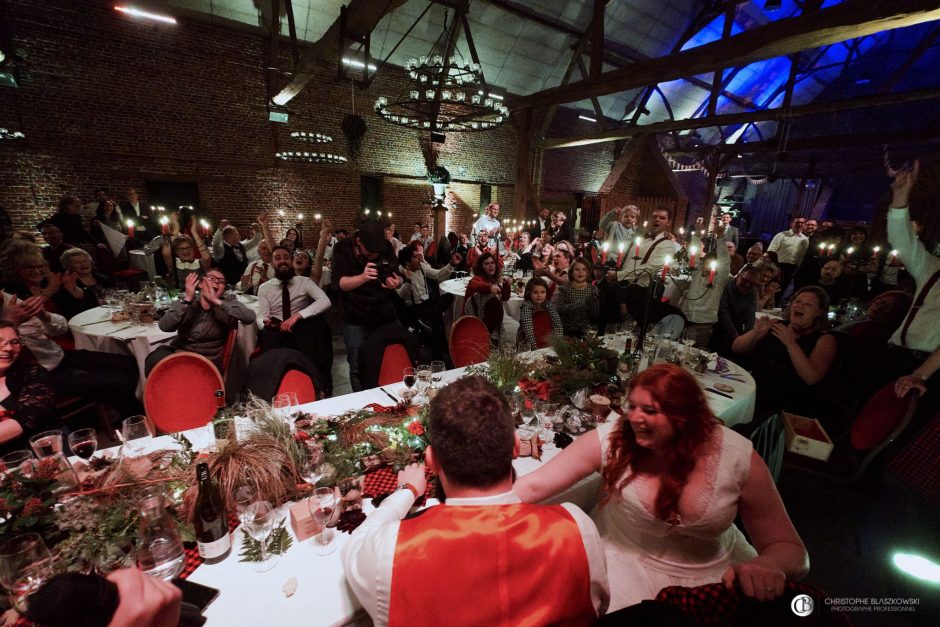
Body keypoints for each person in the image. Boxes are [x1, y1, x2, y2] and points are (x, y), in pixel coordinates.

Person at [514, 363, 808, 611]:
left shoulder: (738, 459)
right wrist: (471, 508)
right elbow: (537, 485)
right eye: (633, 407)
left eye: (650, 411)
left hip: (712, 579)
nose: (635, 419)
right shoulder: (616, 438)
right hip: (619, 568)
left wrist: (770, 564)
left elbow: (792, 550)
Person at [342, 376, 609, 625]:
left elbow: (356, 545)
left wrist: (407, 490)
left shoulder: (388, 554)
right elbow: (597, 607)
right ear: (516, 447)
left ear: (431, 462)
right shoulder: (578, 530)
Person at [0, 291, 141, 417]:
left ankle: (131, 412)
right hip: (38, 375)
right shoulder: (12, 314)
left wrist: (44, 315)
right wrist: (11, 322)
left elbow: (61, 328)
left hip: (60, 356)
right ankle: (138, 423)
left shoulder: (11, 302)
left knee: (132, 364)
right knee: (121, 382)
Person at [881, 162, 939, 408]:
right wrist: (901, 195)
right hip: (894, 354)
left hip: (926, 371)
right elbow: (903, 242)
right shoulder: (933, 267)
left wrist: (921, 373)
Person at [733, 286, 837, 422]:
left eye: (808, 304)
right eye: (798, 301)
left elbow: (811, 377)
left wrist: (791, 344)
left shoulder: (825, 340)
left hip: (785, 405)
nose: (800, 306)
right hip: (751, 389)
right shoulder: (776, 324)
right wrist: (755, 332)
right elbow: (737, 348)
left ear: (819, 312)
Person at [331, 221, 403, 391]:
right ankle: (364, 404)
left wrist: (396, 283)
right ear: (358, 241)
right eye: (369, 252)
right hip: (356, 316)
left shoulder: (385, 246)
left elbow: (399, 276)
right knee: (357, 366)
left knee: (393, 357)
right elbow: (338, 284)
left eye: (376, 253)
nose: (373, 256)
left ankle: (393, 400)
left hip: (384, 313)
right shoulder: (343, 248)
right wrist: (363, 277)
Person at [145, 269, 256, 375]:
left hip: (206, 360)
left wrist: (216, 301)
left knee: (181, 372)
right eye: (212, 278)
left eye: (221, 281)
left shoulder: (227, 304)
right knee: (154, 360)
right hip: (179, 353)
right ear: (200, 284)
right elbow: (164, 326)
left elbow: (250, 317)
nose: (217, 282)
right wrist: (187, 300)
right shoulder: (187, 303)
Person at [257, 246, 333, 395]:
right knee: (268, 338)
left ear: (291, 261)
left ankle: (317, 386)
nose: (282, 261)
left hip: (301, 328)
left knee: (314, 329)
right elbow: (261, 315)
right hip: (276, 328)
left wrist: (298, 315)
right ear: (272, 263)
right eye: (277, 258)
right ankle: (272, 391)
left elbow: (325, 301)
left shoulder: (303, 282)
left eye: (286, 257)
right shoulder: (265, 288)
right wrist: (265, 322)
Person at [396, 243, 461, 363]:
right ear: (407, 262)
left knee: (448, 297)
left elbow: (437, 274)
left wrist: (451, 265)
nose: (419, 259)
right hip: (414, 310)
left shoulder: (421, 266)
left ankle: (429, 320)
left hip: (427, 305)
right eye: (415, 257)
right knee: (436, 325)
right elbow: (400, 296)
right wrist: (408, 282)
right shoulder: (400, 274)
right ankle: (440, 357)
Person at [0, 322, 57, 454]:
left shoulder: (33, 373)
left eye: (14, 342)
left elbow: (26, 419)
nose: (8, 348)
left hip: (42, 451)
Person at [712, 261, 777, 356]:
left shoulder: (751, 293)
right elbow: (722, 312)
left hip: (736, 332)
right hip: (718, 328)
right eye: (745, 280)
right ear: (739, 275)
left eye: (752, 283)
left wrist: (746, 338)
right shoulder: (726, 286)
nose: (747, 285)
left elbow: (750, 316)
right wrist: (736, 337)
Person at [680, 231, 731, 349]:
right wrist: (697, 236)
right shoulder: (696, 273)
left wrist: (721, 239)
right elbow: (693, 255)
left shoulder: (719, 280)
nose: (708, 268)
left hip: (703, 324)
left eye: (712, 265)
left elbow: (725, 261)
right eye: (706, 264)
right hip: (686, 319)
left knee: (696, 353)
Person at [53, 248, 112, 320]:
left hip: (112, 314)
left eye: (85, 261)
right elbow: (74, 310)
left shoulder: (103, 278)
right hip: (88, 320)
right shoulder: (68, 285)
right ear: (69, 267)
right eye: (77, 262)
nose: (83, 264)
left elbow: (116, 295)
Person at [555, 257, 598, 338]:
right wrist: (577, 304)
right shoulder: (565, 288)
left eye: (584, 269)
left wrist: (594, 303)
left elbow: (594, 314)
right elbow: (560, 309)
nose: (580, 272)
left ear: (588, 272)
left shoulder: (593, 289)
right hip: (567, 331)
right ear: (571, 272)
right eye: (577, 269)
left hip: (586, 331)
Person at [517, 277, 562, 351]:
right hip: (531, 344)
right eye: (535, 292)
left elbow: (558, 325)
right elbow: (528, 331)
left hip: (549, 342)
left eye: (542, 292)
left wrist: (557, 343)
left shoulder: (549, 306)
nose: (539, 295)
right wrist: (535, 348)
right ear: (529, 293)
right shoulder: (527, 307)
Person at [767, 217, 809, 293]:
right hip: (778, 266)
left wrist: (797, 269)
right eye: (797, 222)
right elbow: (771, 251)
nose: (799, 224)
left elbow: (802, 256)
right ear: (791, 224)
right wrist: (774, 266)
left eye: (802, 223)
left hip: (792, 268)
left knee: (783, 290)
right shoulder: (781, 235)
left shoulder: (805, 239)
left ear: (804, 225)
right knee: (772, 289)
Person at [211, 222, 258, 286]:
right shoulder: (222, 249)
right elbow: (215, 244)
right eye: (237, 233)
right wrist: (220, 229)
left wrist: (257, 231)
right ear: (229, 236)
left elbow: (254, 242)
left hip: (244, 284)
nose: (239, 235)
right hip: (228, 286)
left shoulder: (241, 246)